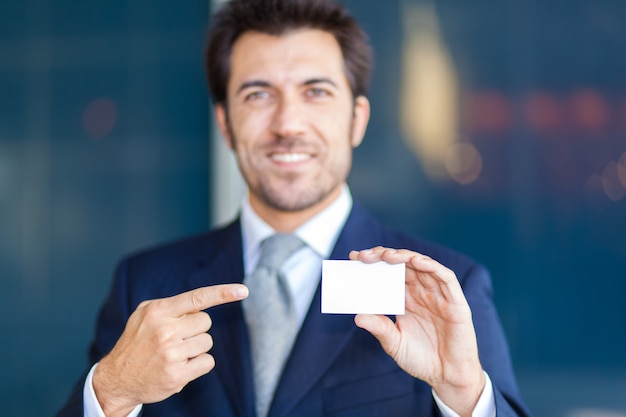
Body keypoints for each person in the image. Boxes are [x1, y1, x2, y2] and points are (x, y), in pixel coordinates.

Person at [57, 0, 530, 416]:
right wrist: (112, 393)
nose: (287, 123)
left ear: (356, 120)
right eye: (258, 94)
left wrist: (466, 398)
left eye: (316, 92)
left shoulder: (442, 289)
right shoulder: (143, 284)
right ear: (225, 122)